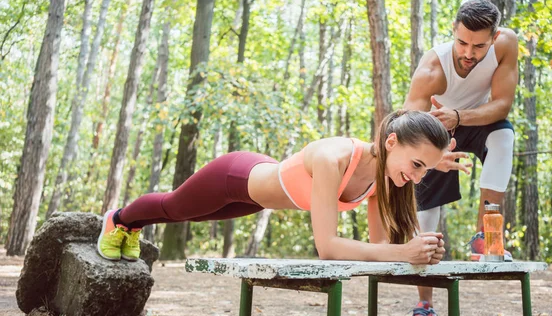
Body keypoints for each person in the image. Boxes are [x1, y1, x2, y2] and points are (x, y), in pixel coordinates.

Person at [97, 110, 452, 265]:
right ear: (391, 142)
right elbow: (327, 247)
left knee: (196, 217)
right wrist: (403, 253)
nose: (418, 178)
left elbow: (378, 249)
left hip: (256, 199)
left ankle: (132, 226)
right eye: (417, 165)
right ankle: (120, 220)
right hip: (235, 176)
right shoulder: (335, 157)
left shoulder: (382, 181)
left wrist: (414, 251)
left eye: (427, 171)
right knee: (175, 207)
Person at [401, 0, 518, 316]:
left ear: (494, 38)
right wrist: (434, 158)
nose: (469, 52)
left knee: (503, 138)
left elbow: (502, 105)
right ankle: (424, 308)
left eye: (479, 45)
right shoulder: (431, 70)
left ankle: (488, 239)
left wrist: (460, 116)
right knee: (426, 202)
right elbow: (407, 128)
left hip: (477, 120)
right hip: (434, 128)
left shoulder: (507, 44)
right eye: (462, 42)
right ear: (453, 31)